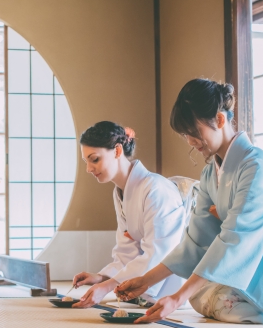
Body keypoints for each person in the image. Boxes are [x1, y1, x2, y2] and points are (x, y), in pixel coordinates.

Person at [117, 79, 263, 324]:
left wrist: (176, 299)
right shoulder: (211, 174)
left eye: (194, 133)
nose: (190, 142)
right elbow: (196, 241)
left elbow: (235, 238)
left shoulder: (258, 166)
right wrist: (146, 281)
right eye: (186, 135)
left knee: (220, 300)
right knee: (200, 296)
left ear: (219, 120)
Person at [71, 121, 186, 308]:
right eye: (87, 162)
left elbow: (159, 253)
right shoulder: (120, 192)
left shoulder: (156, 189)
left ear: (117, 151)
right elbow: (127, 250)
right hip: (145, 288)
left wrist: (107, 286)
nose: (89, 169)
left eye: (94, 159)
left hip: (172, 286)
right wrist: (101, 278)